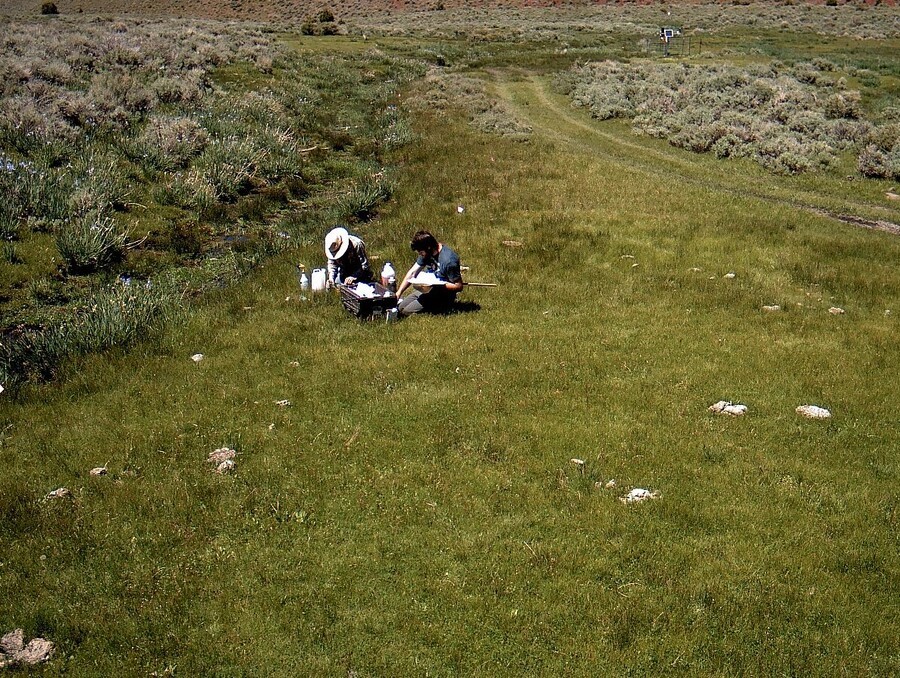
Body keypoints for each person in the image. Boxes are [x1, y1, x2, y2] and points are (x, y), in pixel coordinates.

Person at [396, 230, 463, 316]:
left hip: (442, 295)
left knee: (406, 312)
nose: (420, 254)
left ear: (428, 247)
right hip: (428, 289)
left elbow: (459, 286)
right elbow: (412, 273)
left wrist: (439, 285)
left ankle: (441, 309)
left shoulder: (449, 261)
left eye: (421, 252)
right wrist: (399, 292)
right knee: (400, 307)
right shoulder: (427, 253)